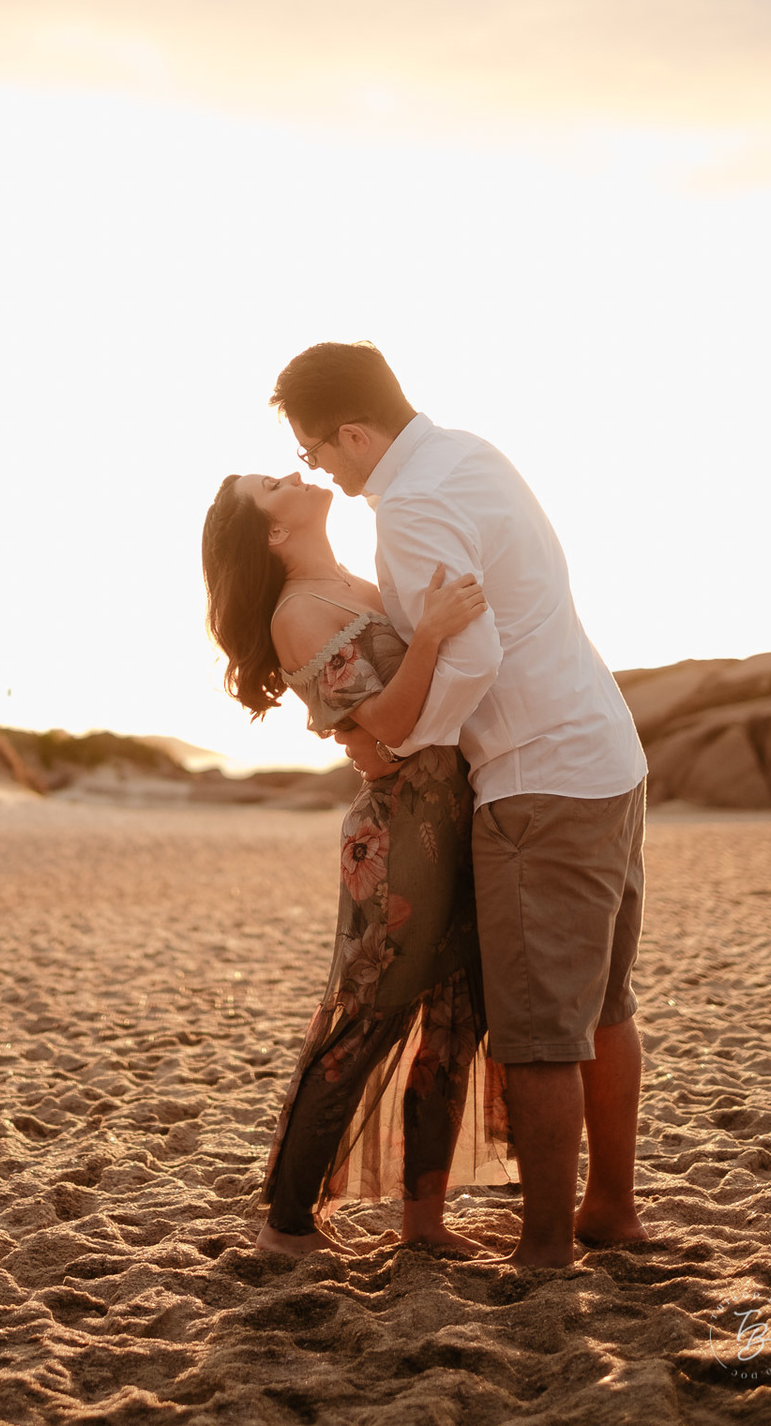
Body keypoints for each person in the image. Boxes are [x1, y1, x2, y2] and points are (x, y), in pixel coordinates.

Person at [269, 341, 649, 1268]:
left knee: (540, 1032)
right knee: (602, 1007)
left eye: (318, 449)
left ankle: (548, 1251)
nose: (316, 467)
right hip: (604, 752)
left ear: (355, 433)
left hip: (537, 778)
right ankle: (610, 1210)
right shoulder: (467, 454)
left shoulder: (410, 506)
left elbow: (472, 655)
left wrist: (401, 740)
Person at [202, 468, 512, 1259]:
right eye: (271, 486)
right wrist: (434, 631)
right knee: (367, 1019)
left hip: (456, 811)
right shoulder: (300, 614)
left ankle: (424, 1221)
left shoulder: (351, 581)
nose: (291, 473)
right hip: (400, 829)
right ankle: (289, 1226)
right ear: (274, 534)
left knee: (454, 1017)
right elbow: (396, 723)